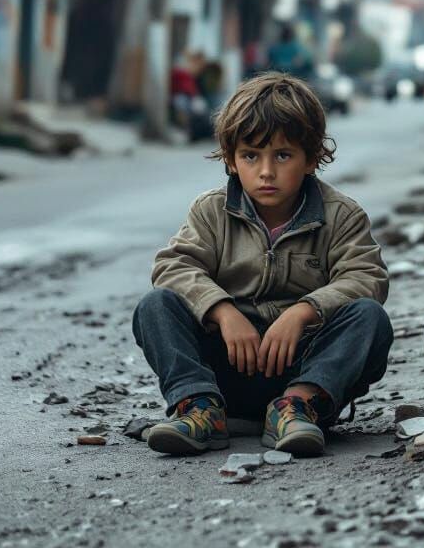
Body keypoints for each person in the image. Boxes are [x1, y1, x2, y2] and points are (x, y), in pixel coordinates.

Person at [132, 73, 392, 457]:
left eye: (282, 155)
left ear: (311, 158)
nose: (266, 171)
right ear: (232, 160)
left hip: (302, 367)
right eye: (251, 156)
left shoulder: (342, 215)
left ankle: (295, 409)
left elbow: (366, 276)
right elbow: (174, 266)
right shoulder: (211, 211)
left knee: (370, 318)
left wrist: (304, 312)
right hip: (226, 368)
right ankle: (199, 409)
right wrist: (222, 312)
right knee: (155, 306)